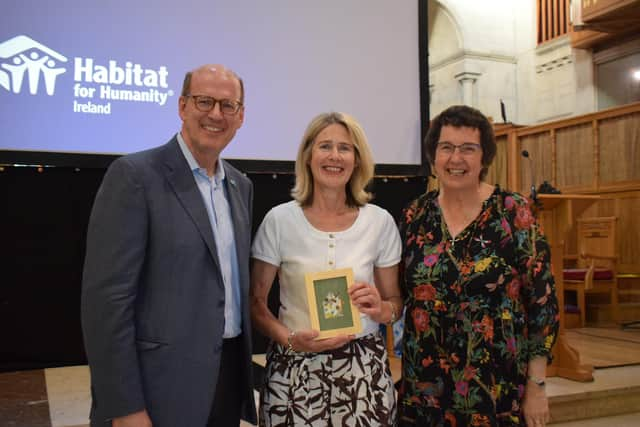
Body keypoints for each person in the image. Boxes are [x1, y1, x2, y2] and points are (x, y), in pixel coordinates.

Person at [81, 64, 257, 427]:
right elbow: (107, 304)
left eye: (228, 106)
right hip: (158, 390)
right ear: (181, 106)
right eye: (204, 101)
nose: (215, 114)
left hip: (225, 383)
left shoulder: (240, 186)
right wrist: (125, 407)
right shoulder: (134, 177)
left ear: (240, 116)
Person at [397, 105, 559, 427]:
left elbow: (542, 303)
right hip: (425, 390)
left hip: (495, 389)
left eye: (468, 149)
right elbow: (398, 295)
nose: (456, 159)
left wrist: (537, 386)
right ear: (433, 156)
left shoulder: (514, 212)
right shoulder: (414, 216)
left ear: (484, 157)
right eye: (446, 147)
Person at [250, 112, 402, 426]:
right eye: (325, 146)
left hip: (364, 371)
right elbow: (256, 305)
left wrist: (381, 308)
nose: (334, 156)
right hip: (293, 369)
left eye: (345, 148)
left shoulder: (379, 222)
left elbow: (395, 306)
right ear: (307, 156)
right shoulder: (279, 221)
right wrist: (291, 339)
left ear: (357, 160)